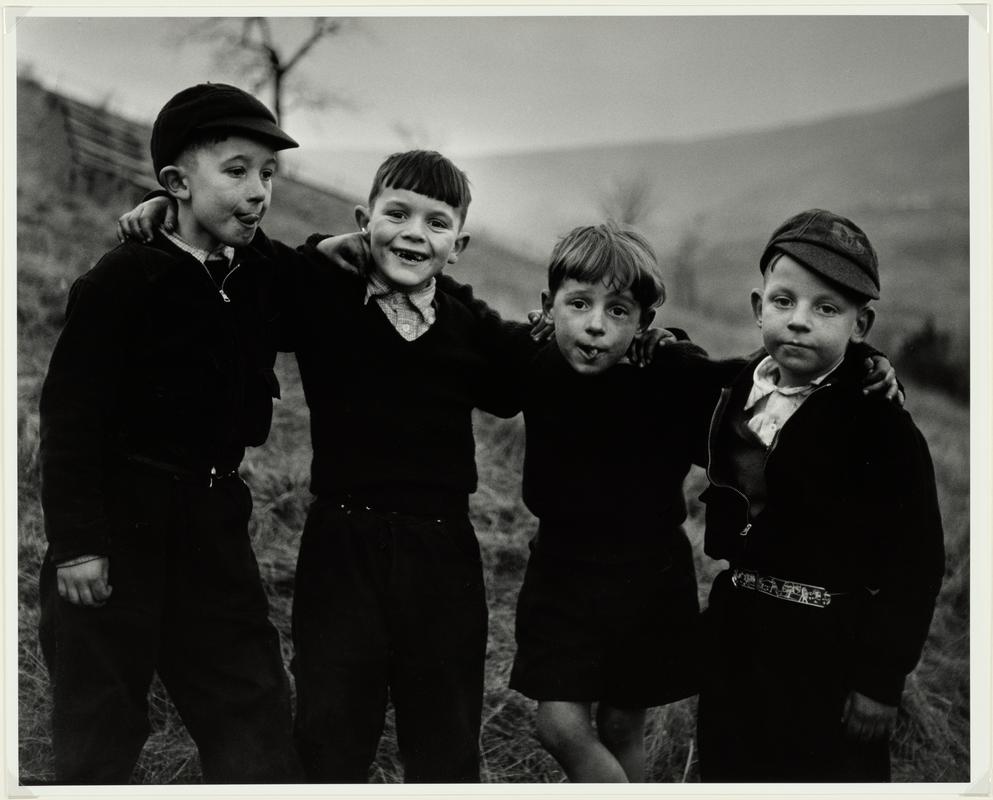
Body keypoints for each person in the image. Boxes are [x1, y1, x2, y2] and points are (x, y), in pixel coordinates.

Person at [316, 219, 900, 783]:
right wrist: (355, 249)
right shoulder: (535, 358)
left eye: (617, 310)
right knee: (559, 725)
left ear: (644, 321)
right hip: (561, 576)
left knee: (623, 722)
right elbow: (462, 318)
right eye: (579, 304)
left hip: (649, 577)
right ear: (549, 305)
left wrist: (864, 361)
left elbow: (761, 378)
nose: (595, 326)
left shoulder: (666, 372)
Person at [38, 83, 304, 784]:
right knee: (102, 714)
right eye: (237, 170)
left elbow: (327, 265)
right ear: (176, 182)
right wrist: (78, 547)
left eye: (268, 174)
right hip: (120, 524)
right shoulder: (123, 281)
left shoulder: (257, 273)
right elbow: (69, 419)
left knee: (251, 704)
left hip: (213, 522)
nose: (258, 191)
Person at [695, 209, 945, 782]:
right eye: (784, 302)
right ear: (759, 307)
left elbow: (919, 563)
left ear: (861, 325)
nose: (800, 321)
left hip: (826, 651)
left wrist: (879, 683)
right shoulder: (734, 390)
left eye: (826, 308)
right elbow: (669, 371)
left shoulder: (881, 427)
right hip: (738, 637)